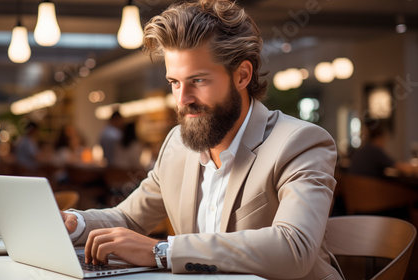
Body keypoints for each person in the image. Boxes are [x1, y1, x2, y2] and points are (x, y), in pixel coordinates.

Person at [62, 1, 342, 279]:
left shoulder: (300, 143)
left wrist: (163, 251)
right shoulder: (177, 145)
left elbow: (294, 248)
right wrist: (74, 224)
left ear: (242, 75)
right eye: (175, 82)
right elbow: (130, 218)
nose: (183, 99)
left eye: (198, 80)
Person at [348, 120, 418, 178]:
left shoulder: (361, 150)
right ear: (379, 137)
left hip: (355, 192)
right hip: (372, 191)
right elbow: (400, 167)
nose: (385, 142)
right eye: (384, 139)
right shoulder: (374, 151)